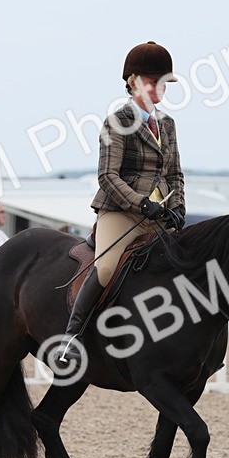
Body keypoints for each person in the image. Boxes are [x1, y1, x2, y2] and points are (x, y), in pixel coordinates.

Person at [57, 41, 186, 363]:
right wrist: (142, 204)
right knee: (107, 266)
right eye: (153, 81)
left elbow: (176, 174)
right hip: (122, 211)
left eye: (163, 82)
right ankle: (72, 335)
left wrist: (179, 205)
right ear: (133, 82)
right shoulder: (117, 122)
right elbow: (107, 176)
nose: (159, 88)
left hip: (160, 213)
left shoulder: (167, 124)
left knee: (186, 263)